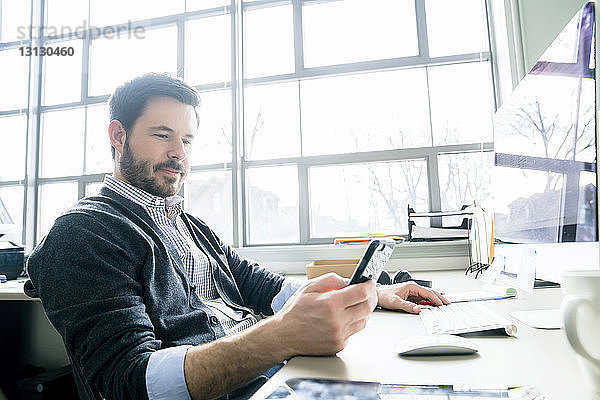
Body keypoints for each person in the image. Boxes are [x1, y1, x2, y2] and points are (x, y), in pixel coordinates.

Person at [27, 73, 448, 400]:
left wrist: (363, 294)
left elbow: (266, 287)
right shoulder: (83, 233)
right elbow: (130, 384)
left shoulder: (190, 226)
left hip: (274, 377)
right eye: (162, 135)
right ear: (118, 136)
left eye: (187, 140)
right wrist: (281, 335)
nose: (179, 153)